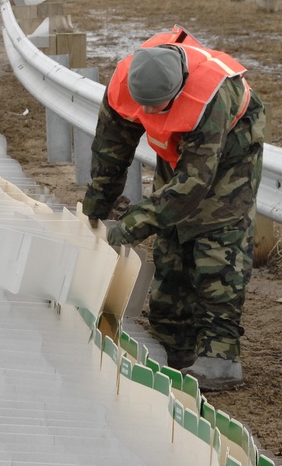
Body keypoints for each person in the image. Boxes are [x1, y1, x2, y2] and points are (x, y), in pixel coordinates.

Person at [81, 26, 266, 391]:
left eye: (156, 106)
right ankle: (174, 346)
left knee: (217, 237)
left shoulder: (210, 96)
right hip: (182, 144)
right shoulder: (125, 84)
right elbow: (110, 152)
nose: (147, 113)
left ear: (177, 90)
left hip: (229, 150)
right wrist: (95, 212)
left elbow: (193, 185)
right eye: (142, 106)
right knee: (171, 239)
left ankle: (220, 356)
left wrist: (129, 226)